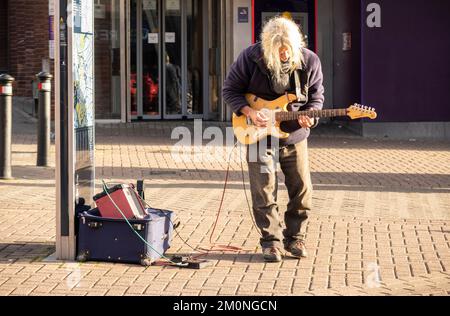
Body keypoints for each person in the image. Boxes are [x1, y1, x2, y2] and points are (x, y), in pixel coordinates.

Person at [222, 17, 324, 262]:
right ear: (267, 46)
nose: (283, 54)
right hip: (256, 134)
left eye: (287, 50)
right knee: (264, 191)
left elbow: (316, 98)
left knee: (302, 189)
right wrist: (249, 112)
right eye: (277, 51)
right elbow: (230, 90)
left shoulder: (309, 60)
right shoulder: (250, 57)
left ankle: (296, 238)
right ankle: (271, 242)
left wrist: (310, 117)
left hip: (294, 134)